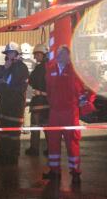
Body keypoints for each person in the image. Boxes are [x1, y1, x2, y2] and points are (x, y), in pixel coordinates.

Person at [43, 45, 94, 184]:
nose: (60, 56)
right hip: (54, 112)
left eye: (63, 54)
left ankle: (75, 171)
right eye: (58, 53)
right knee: (52, 142)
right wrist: (52, 103)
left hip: (70, 113)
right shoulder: (51, 70)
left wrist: (85, 102)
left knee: (72, 142)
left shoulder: (76, 71)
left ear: (68, 57)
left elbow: (91, 86)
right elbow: (48, 90)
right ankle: (54, 171)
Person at [0, 42, 29, 165]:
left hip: (15, 106)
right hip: (5, 105)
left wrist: (3, 78)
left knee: (13, 133)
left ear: (17, 54)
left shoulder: (20, 67)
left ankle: (12, 157)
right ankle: (2, 154)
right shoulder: (6, 67)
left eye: (11, 53)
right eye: (7, 53)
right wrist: (4, 73)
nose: (8, 56)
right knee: (3, 132)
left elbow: (8, 85)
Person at [25, 44, 50, 156]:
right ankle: (51, 148)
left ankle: (34, 149)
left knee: (35, 127)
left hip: (38, 103)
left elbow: (30, 82)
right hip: (48, 104)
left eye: (36, 55)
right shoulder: (51, 68)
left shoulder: (39, 69)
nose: (35, 58)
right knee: (47, 128)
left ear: (41, 54)